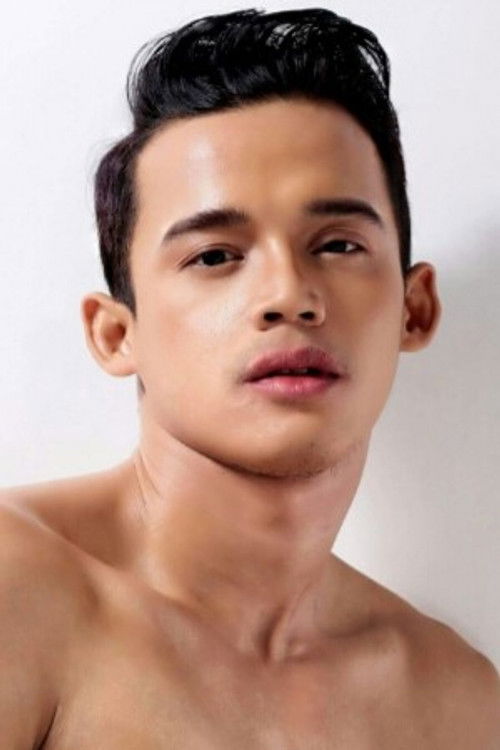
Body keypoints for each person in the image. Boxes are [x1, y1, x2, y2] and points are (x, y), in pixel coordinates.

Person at [1, 7, 499, 748]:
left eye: (337, 244)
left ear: (414, 309)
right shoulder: (20, 593)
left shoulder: (455, 702)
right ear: (116, 334)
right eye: (214, 256)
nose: (289, 295)